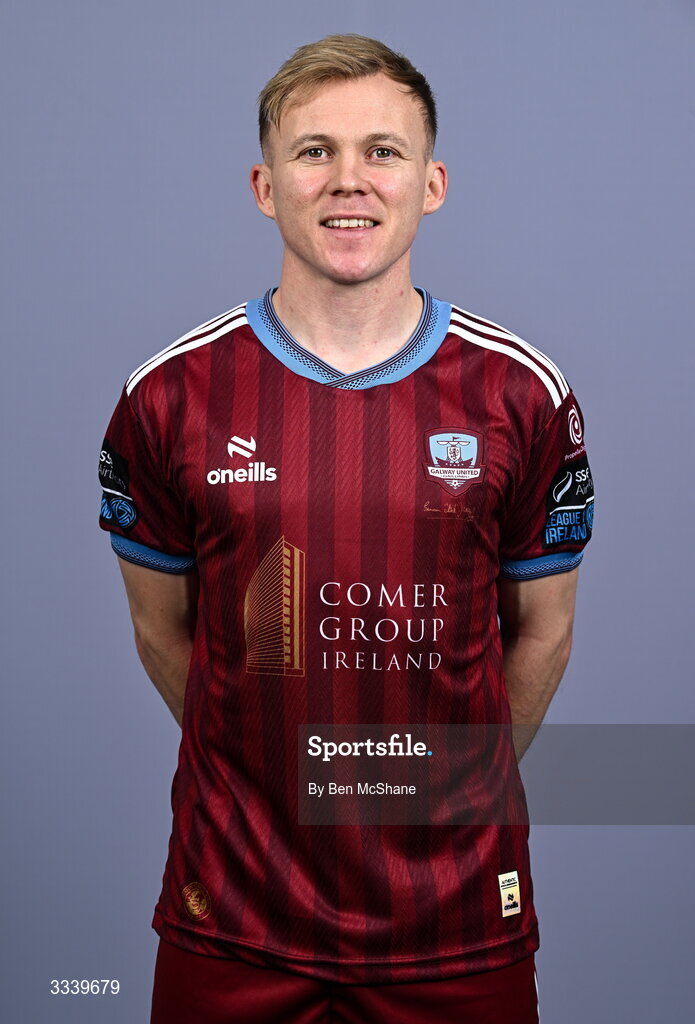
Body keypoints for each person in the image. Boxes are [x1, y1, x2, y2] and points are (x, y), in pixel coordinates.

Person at [98, 33, 594, 1024]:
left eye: (382, 151)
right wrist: (266, 774)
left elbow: (540, 632)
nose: (347, 181)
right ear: (264, 186)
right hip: (232, 912)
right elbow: (163, 632)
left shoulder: (520, 394)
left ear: (431, 184)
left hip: (453, 921)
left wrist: (440, 792)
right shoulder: (168, 396)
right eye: (313, 151)